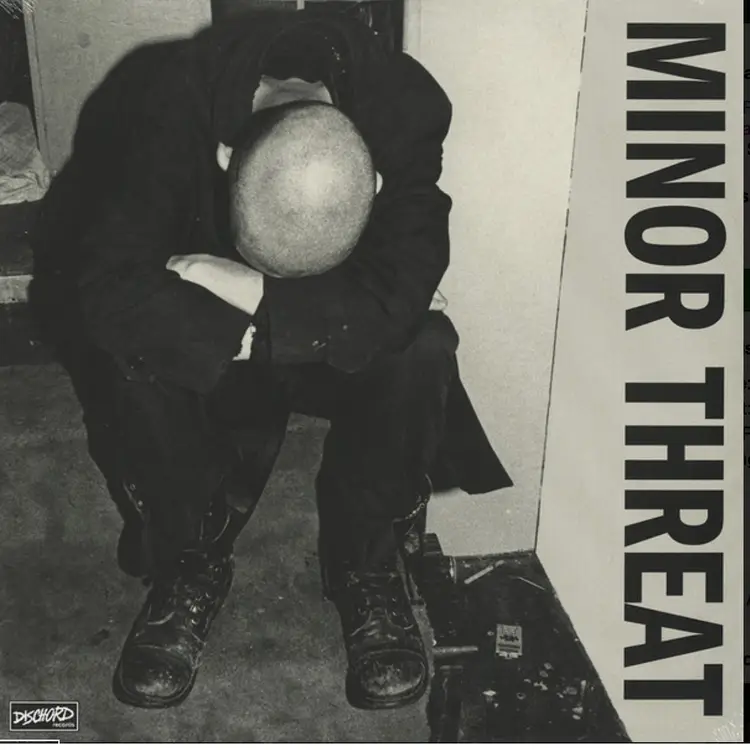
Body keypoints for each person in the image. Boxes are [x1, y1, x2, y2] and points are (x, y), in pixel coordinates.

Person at [30, 9, 512, 711]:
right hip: (222, 337)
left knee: (424, 344)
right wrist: (262, 321)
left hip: (302, 330)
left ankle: (366, 563)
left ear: (373, 182)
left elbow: (403, 291)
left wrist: (251, 294)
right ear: (225, 159)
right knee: (126, 350)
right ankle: (190, 558)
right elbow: (103, 289)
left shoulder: (404, 106)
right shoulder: (163, 103)